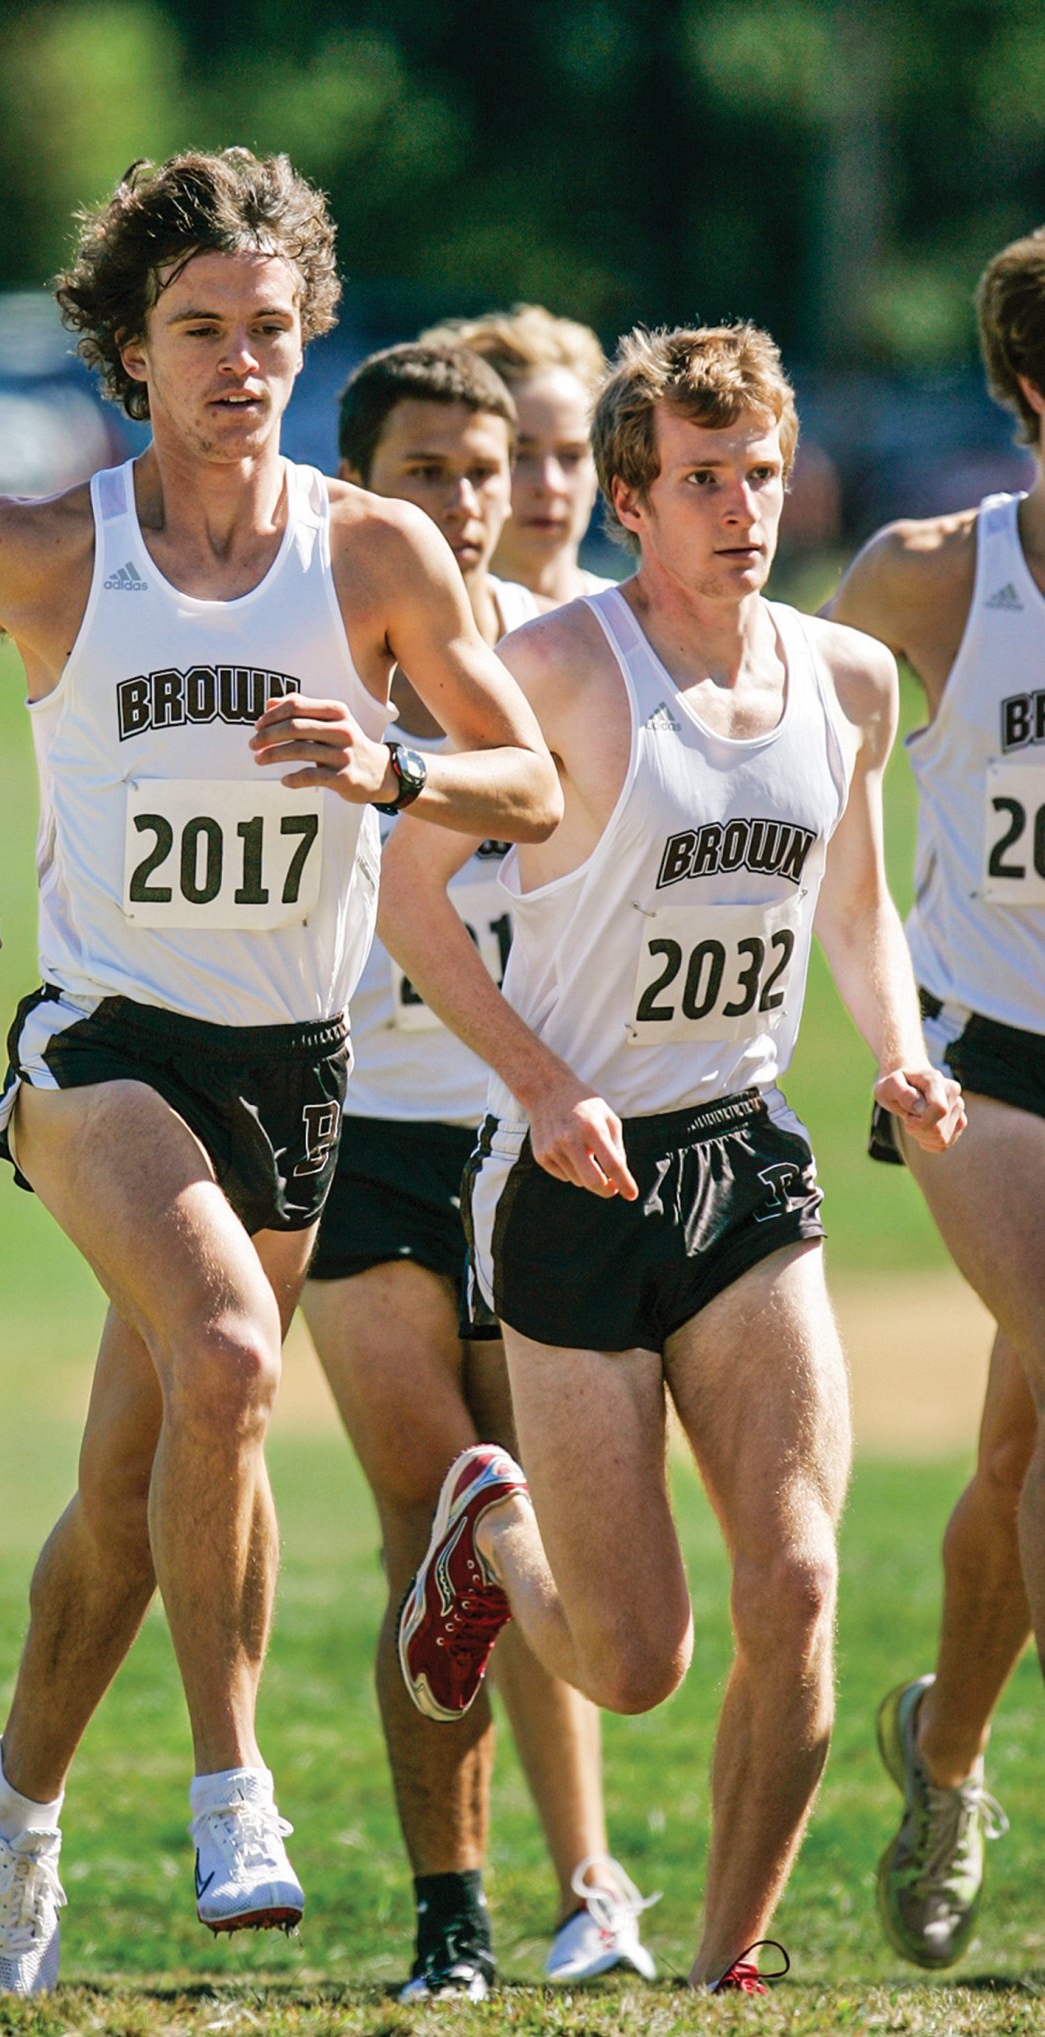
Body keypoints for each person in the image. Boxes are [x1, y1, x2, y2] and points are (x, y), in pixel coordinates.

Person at [0, 148, 560, 1997]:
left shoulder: (370, 552)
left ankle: (20, 1795)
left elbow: (526, 779)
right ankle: (234, 1789)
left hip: (294, 1068)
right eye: (201, 331)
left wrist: (390, 769)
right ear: (129, 354)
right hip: (103, 1047)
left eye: (273, 330)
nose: (241, 363)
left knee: (140, 1493)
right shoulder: (42, 543)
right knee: (232, 1352)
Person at [381, 323, 966, 1992]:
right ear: (631, 500)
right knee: (634, 1660)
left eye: (764, 476)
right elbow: (414, 904)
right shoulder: (565, 668)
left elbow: (855, 903)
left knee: (797, 1573)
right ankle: (486, 1527)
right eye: (703, 480)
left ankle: (723, 1971)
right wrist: (544, 1084)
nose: (742, 509)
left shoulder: (844, 678)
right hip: (572, 1183)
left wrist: (906, 1053)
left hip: (745, 1161)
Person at [301, 341, 656, 1998]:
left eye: (486, 470)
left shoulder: (562, 669)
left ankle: (585, 1881)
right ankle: (456, 1916)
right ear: (363, 482)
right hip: (355, 1136)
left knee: (503, 1548)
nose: (464, 500)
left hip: (520, 1142)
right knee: (444, 1504)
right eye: (427, 470)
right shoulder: (300, 648)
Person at [826, 225, 1045, 1972]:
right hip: (982, 1053)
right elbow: (776, 731)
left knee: (1019, 1447)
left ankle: (947, 1753)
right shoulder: (930, 581)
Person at [422, 305, 610, 604]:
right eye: (520, 456)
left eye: (572, 456)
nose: (549, 485)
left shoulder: (648, 631)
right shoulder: (407, 635)